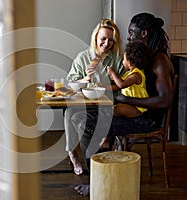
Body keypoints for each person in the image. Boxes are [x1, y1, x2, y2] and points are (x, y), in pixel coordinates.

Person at [73, 12, 175, 196]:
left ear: (144, 33)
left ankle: (96, 181)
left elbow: (165, 101)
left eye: (131, 32)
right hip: (139, 113)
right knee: (85, 118)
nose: (128, 37)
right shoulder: (147, 58)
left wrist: (126, 99)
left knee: (92, 126)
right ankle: (101, 174)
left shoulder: (160, 61)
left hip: (148, 120)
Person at [65, 19, 124, 175]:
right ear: (96, 37)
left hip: (106, 106)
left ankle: (97, 167)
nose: (106, 43)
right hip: (85, 104)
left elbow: (123, 85)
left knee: (81, 122)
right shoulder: (83, 57)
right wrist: (85, 78)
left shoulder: (116, 59)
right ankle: (72, 153)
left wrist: (107, 85)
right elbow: (71, 83)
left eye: (111, 40)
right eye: (103, 38)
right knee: (70, 112)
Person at [107, 41, 152, 118]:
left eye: (124, 59)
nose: (122, 61)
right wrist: (104, 87)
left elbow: (121, 84)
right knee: (115, 107)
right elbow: (118, 86)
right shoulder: (129, 73)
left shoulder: (136, 75)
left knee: (118, 109)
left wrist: (113, 73)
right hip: (130, 104)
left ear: (130, 63)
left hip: (137, 108)